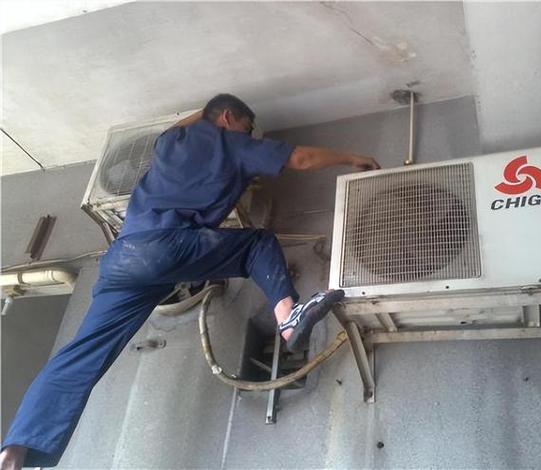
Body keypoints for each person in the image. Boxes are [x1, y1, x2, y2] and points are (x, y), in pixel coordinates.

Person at [0, 93, 380, 469]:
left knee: (79, 354)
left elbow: (179, 125)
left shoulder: (170, 142)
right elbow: (300, 158)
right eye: (247, 126)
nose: (249, 134)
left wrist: (207, 110)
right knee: (257, 244)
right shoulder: (231, 143)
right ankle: (288, 318)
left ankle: (17, 448)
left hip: (122, 260)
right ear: (228, 118)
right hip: (166, 248)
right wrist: (352, 157)